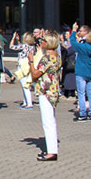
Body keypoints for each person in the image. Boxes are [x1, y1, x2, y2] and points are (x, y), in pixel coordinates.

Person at [29, 32, 61, 161]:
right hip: (52, 90)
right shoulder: (56, 56)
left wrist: (31, 61)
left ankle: (51, 152)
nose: (41, 42)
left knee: (47, 122)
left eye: (43, 41)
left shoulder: (47, 58)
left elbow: (35, 74)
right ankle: (51, 149)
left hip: (46, 91)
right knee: (50, 121)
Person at [68, 24, 91, 121]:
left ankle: (82, 114)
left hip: (81, 72)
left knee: (81, 94)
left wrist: (73, 31)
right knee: (90, 93)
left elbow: (72, 42)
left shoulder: (83, 47)